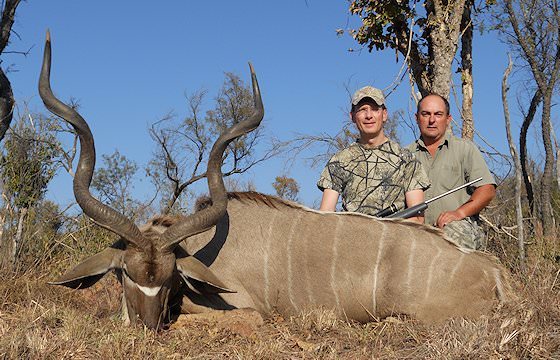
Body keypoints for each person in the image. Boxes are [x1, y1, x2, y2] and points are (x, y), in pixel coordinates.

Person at [317, 86, 430, 223]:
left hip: (395, 239)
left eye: (375, 109)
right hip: (352, 238)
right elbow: (325, 216)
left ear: (384, 114)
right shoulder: (338, 161)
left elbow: (417, 219)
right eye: (362, 109)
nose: (368, 115)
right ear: (352, 116)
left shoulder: (407, 160)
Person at [408, 93, 496, 249]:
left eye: (438, 114)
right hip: (416, 231)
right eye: (426, 114)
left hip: (456, 226)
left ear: (448, 119)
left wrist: (459, 213)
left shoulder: (464, 149)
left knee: (451, 236)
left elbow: (487, 189)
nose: (432, 120)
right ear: (416, 118)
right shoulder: (405, 155)